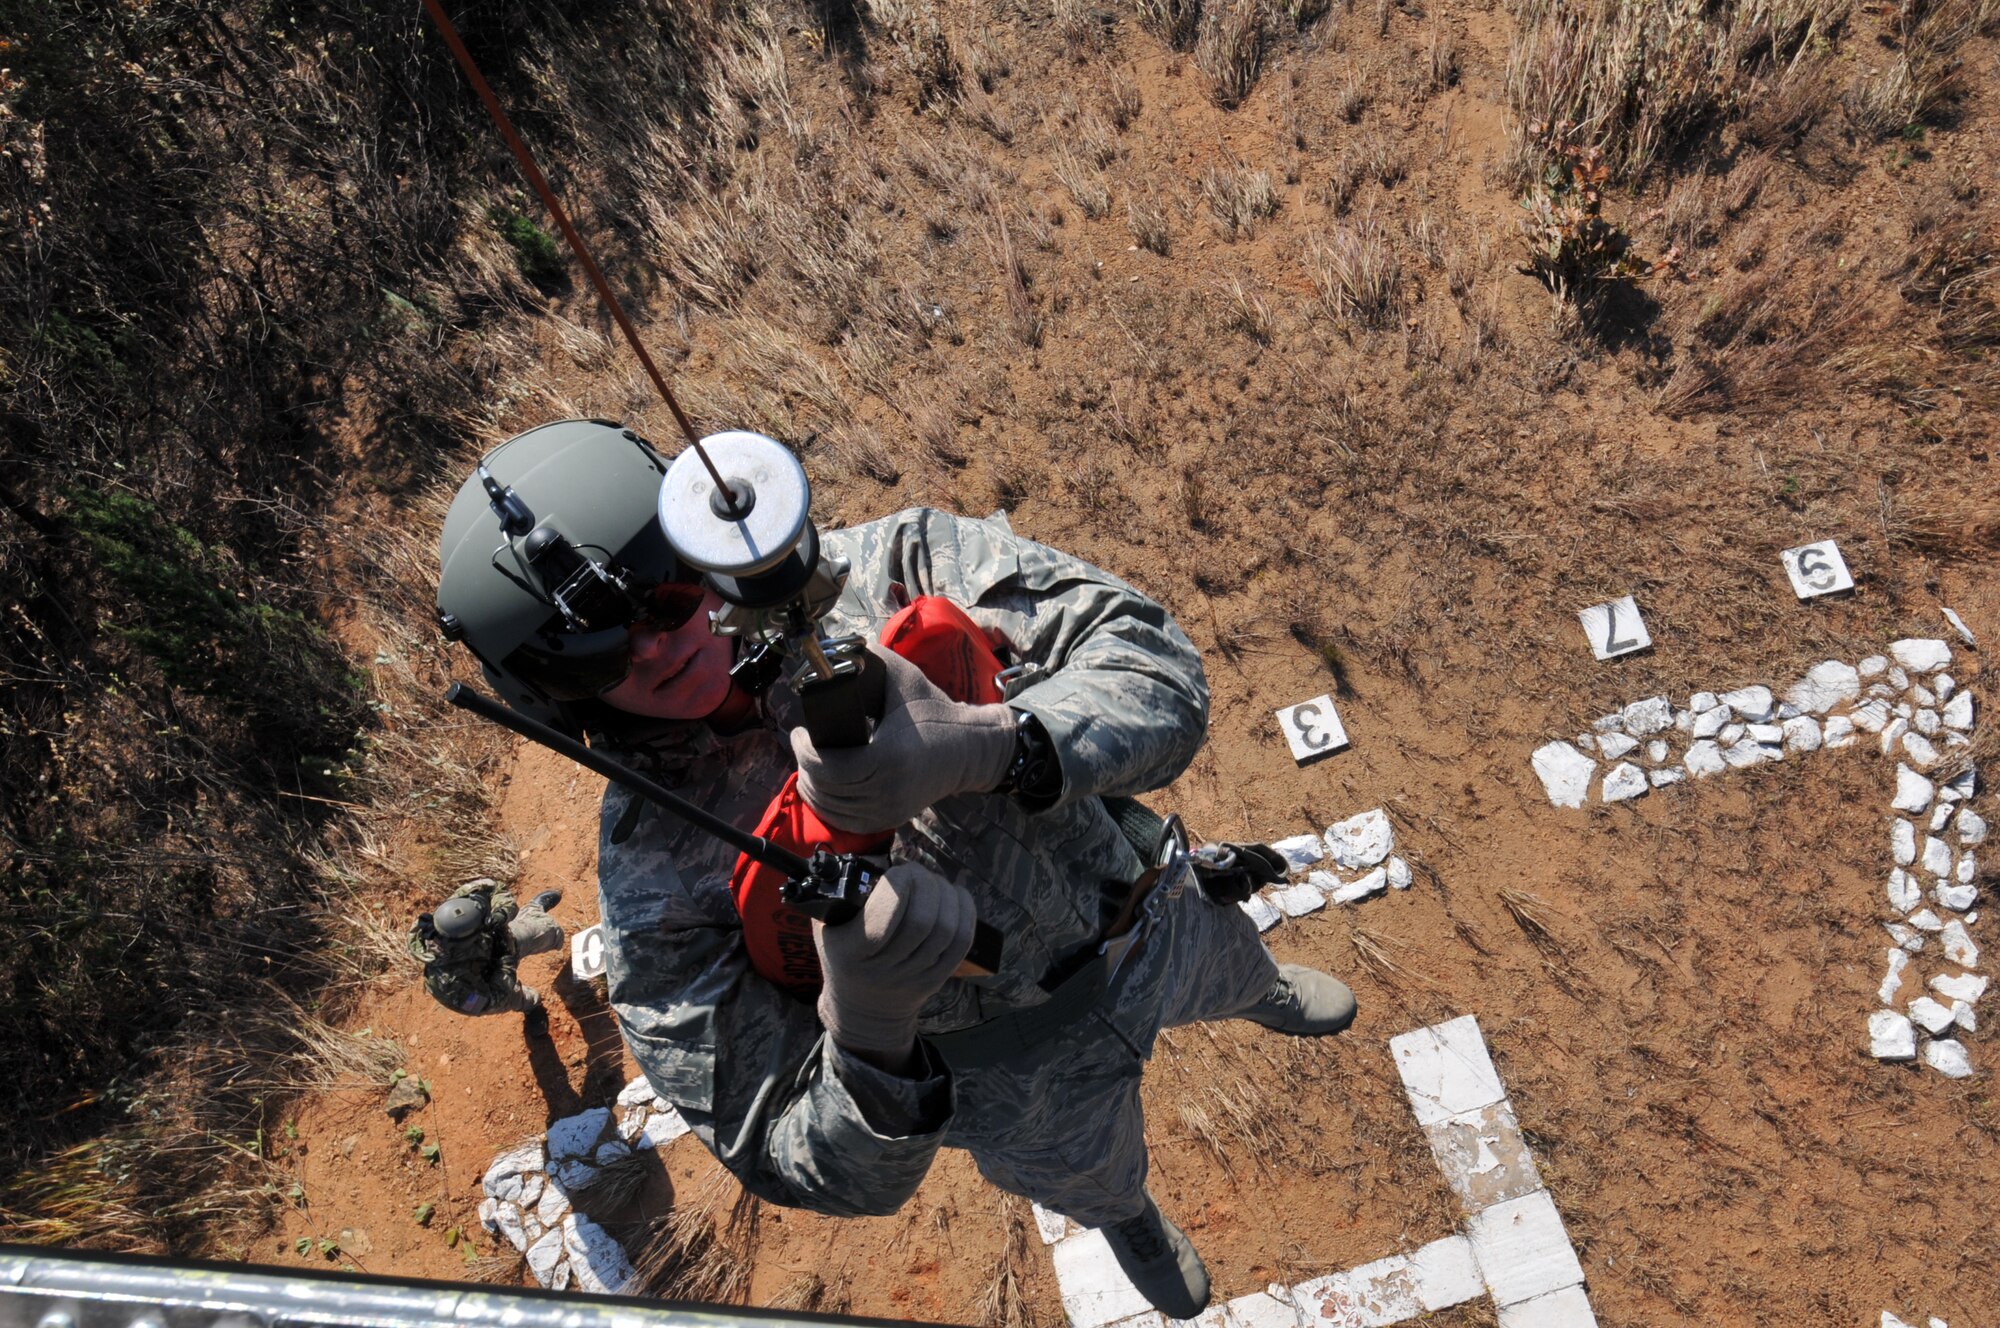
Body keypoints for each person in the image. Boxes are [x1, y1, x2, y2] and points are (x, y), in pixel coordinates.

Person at [435, 419, 1357, 1317]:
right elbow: (787, 1153)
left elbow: (1156, 666)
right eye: (598, 655)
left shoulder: (893, 569)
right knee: (1095, 1174)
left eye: (667, 600)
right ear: (547, 697)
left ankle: (1260, 993)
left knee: (1231, 960)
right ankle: (1131, 1219)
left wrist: (999, 744)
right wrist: (869, 1030)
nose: (656, 648)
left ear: (697, 534)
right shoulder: (653, 889)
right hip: (1017, 1087)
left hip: (1150, 915)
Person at [409, 878, 566, 1028]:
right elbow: (488, 1002)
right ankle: (532, 1006)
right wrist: (505, 965)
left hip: (500, 941)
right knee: (513, 998)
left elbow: (494, 887)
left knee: (549, 932)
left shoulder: (456, 909)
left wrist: (502, 913)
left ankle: (533, 911)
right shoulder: (448, 984)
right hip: (489, 979)